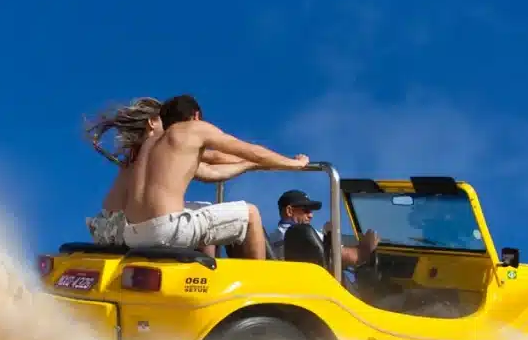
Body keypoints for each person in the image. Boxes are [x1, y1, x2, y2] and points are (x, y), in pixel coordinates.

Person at [98, 93, 309, 260]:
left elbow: (211, 173)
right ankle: (261, 292)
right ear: (196, 116)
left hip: (135, 233)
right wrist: (293, 164)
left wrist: (249, 166)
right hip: (166, 229)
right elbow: (250, 151)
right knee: (251, 213)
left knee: (204, 210)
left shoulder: (147, 147)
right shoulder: (193, 129)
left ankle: (206, 274)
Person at [272, 188, 376, 271]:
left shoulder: (273, 237)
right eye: (306, 210)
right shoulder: (302, 234)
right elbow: (349, 257)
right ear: (289, 211)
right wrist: (366, 247)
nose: (311, 215)